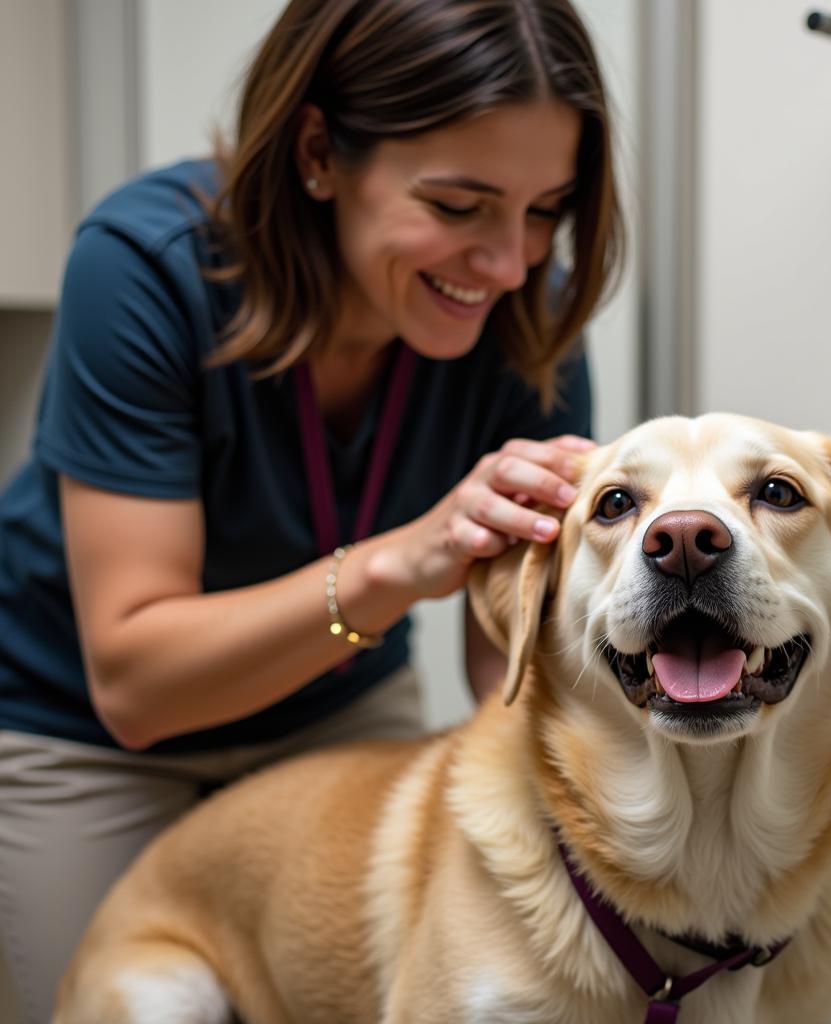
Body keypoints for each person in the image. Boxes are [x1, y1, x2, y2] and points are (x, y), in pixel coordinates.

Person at [0, 0, 623, 1019]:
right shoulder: (144, 268)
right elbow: (136, 681)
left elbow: (502, 666)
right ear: (319, 151)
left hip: (332, 708)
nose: (510, 263)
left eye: (546, 207)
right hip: (86, 730)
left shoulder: (525, 308)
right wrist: (395, 566)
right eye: (460, 205)